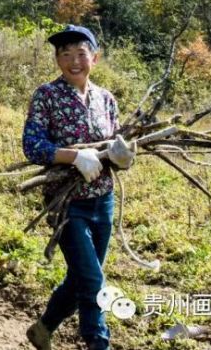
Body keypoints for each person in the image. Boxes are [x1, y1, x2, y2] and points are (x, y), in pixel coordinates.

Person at [23, 25, 135, 350]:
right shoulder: (47, 96)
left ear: (94, 58)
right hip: (68, 205)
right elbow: (32, 145)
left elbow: (117, 143)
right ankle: (98, 343)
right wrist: (73, 157)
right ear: (57, 59)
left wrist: (124, 156)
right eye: (65, 54)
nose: (74, 61)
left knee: (81, 277)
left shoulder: (106, 99)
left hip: (103, 202)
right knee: (92, 281)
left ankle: (43, 328)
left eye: (81, 54)